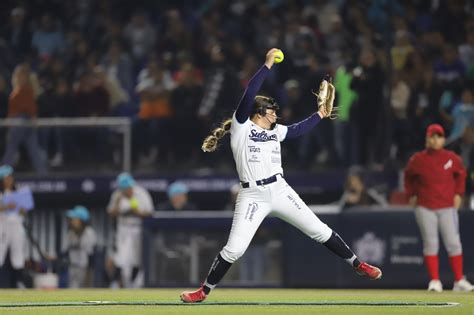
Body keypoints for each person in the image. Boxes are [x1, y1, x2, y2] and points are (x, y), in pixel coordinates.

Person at [180, 48, 382, 303]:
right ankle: (203, 291)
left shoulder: (276, 131)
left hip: (280, 190)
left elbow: (298, 129)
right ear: (258, 112)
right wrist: (267, 65)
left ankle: (357, 264)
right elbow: (250, 92)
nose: (275, 114)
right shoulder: (242, 127)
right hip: (252, 194)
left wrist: (320, 114)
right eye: (271, 110)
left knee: (319, 230)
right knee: (234, 249)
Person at [404, 124, 473, 292]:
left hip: (447, 206)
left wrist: (458, 194)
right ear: (427, 139)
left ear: (443, 139)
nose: (435, 139)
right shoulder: (417, 159)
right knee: (431, 243)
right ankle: (435, 280)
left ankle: (459, 280)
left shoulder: (452, 158)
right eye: (432, 136)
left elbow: (461, 176)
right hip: (425, 206)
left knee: (454, 243)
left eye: (438, 136)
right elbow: (408, 177)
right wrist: (411, 195)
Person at [106, 172, 153, 288]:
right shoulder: (117, 195)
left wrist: (137, 211)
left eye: (129, 187)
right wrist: (117, 203)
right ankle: (116, 283)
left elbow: (150, 212)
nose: (127, 190)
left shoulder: (141, 193)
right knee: (122, 258)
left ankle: (133, 284)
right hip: (123, 229)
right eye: (124, 189)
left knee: (137, 259)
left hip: (138, 229)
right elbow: (110, 213)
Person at [0, 165, 34, 288]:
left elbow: (25, 210)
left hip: (17, 226)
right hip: (2, 225)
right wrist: (6, 207)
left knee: (18, 253)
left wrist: (19, 207)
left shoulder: (20, 191)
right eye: (5, 178)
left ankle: (19, 282)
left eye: (10, 177)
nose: (9, 180)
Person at [63, 205, 96, 288]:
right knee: (72, 289)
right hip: (72, 266)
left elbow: (91, 255)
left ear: (81, 220)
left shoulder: (89, 232)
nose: (71, 221)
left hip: (84, 268)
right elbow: (65, 251)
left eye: (74, 218)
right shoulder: (70, 233)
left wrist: (89, 274)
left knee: (85, 292)